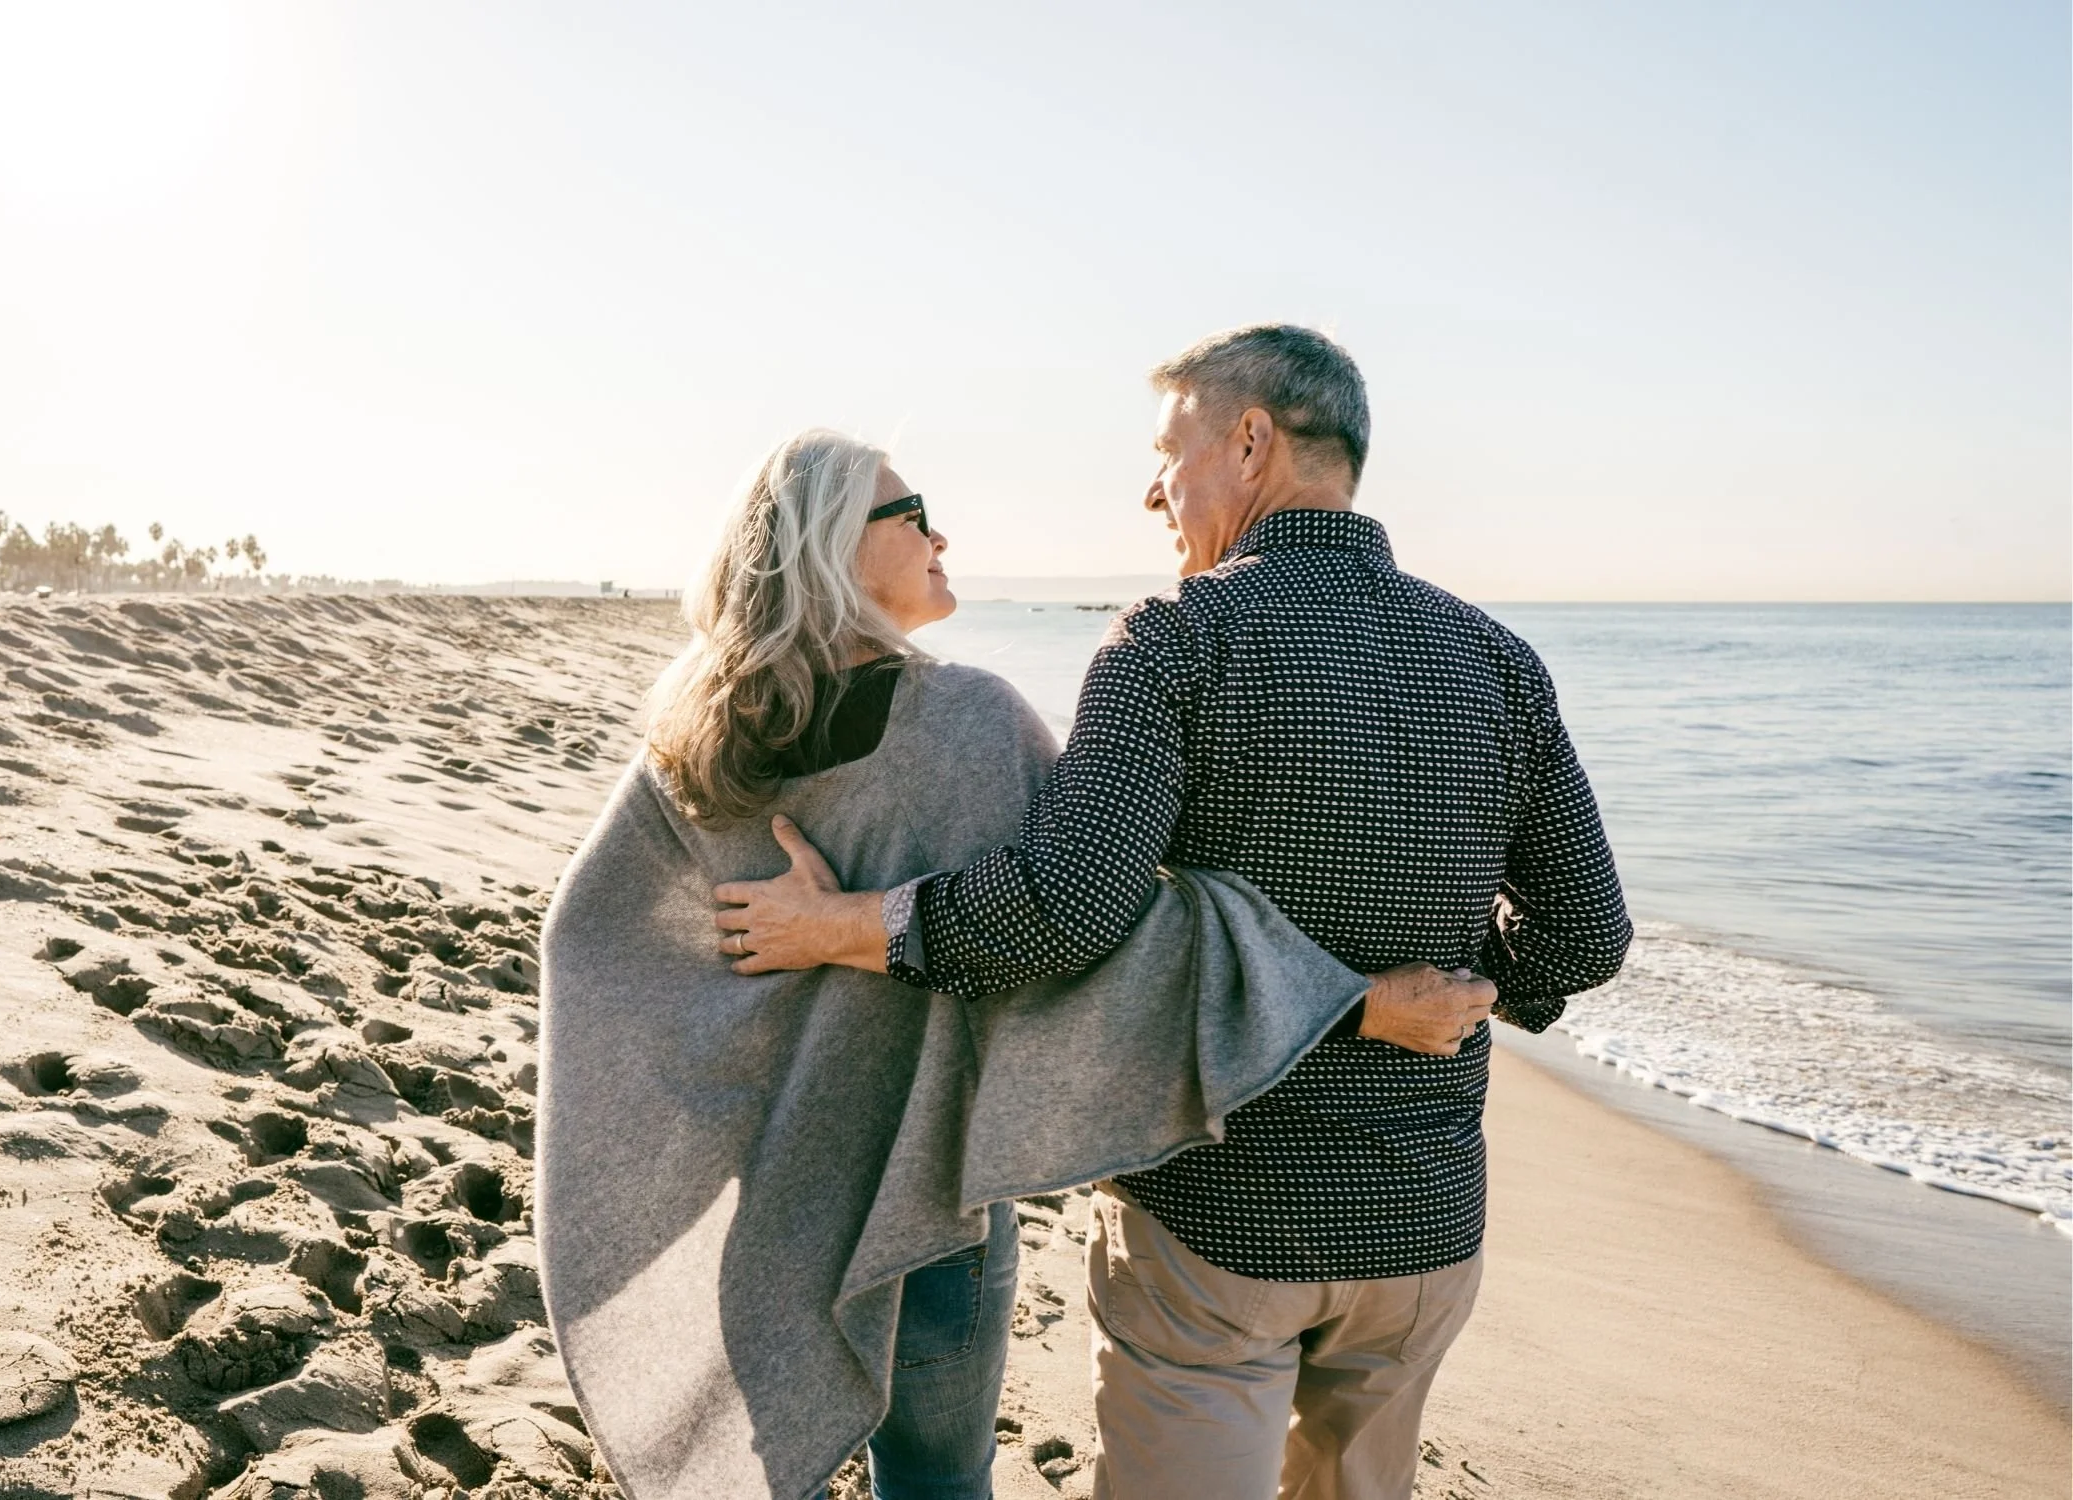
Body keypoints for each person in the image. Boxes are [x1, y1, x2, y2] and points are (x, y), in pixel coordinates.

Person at [714, 327, 1634, 1500]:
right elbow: (1586, 935)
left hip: (1217, 1218)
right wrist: (1468, 993)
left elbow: (1064, 910)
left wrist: (846, 925)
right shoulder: (1496, 657)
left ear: (1250, 441)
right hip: (1425, 1223)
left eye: (1168, 450)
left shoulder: (1177, 638)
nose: (1153, 487)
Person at [537, 428, 1488, 1500]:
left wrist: (725, 1068)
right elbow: (1108, 938)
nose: (940, 533)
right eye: (912, 514)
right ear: (835, 547)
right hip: (922, 1184)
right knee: (938, 1479)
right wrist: (1356, 1003)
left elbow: (594, 946)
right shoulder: (967, 723)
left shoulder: (702, 730)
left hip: (768, 1191)